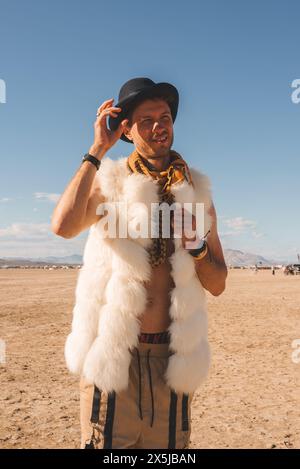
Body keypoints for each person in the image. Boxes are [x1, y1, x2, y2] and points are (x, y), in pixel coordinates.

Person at [51, 77, 227, 449]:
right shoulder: (110, 182)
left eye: (165, 117)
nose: (159, 126)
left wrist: (195, 247)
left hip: (173, 360)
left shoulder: (197, 191)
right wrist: (97, 149)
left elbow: (218, 282)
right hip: (115, 358)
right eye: (146, 120)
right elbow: (63, 226)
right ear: (126, 129)